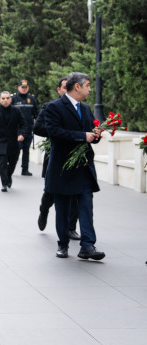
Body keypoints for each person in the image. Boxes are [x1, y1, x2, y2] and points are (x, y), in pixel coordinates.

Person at [43, 72, 104, 261]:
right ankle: (63, 244)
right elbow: (54, 132)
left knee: (86, 205)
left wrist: (95, 135)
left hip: (84, 166)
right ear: (77, 86)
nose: (89, 89)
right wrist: (82, 136)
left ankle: (87, 246)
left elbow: (88, 134)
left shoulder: (85, 109)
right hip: (63, 167)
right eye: (87, 85)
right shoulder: (54, 107)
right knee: (62, 207)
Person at [35, 78, 78, 237]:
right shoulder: (49, 107)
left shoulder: (79, 107)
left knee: (75, 193)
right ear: (59, 90)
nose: (68, 90)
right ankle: (44, 210)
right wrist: (57, 132)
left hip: (75, 155)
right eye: (65, 87)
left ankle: (71, 227)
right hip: (55, 153)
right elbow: (37, 128)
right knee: (50, 191)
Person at [11, 79, 38, 176]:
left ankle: (25, 169)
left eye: (25, 87)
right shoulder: (13, 99)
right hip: (17, 129)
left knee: (26, 150)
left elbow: (36, 114)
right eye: (22, 87)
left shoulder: (32, 99)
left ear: (28, 88)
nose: (24, 89)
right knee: (17, 149)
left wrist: (37, 125)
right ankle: (11, 167)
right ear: (18, 88)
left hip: (28, 129)